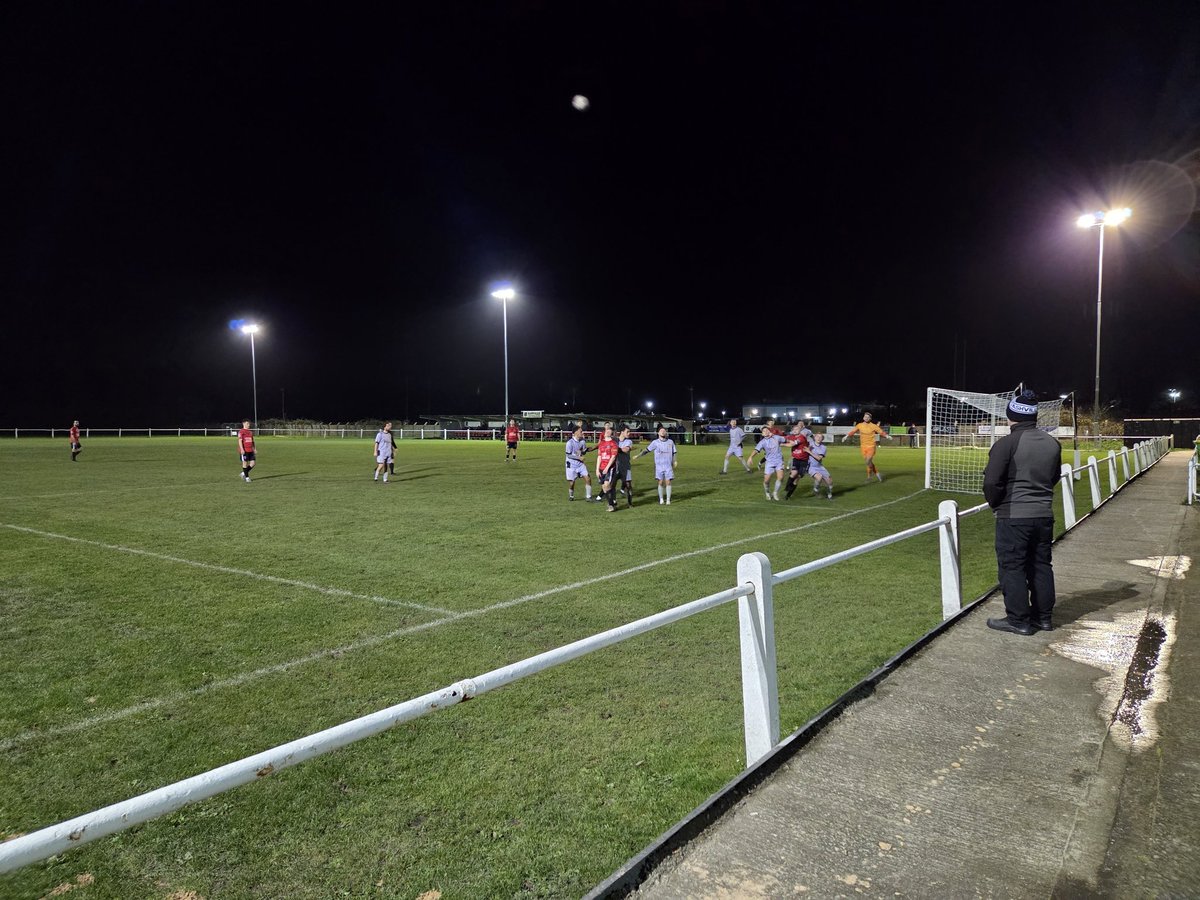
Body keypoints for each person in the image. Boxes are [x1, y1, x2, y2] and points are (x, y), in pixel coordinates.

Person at [982, 390, 1063, 636]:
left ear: (1011, 415)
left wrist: (997, 504)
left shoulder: (1006, 444)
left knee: (1012, 567)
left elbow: (991, 483)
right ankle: (1044, 619)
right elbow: (1054, 477)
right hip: (1043, 515)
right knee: (1041, 565)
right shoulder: (1052, 443)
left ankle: (1018, 620)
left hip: (1014, 515)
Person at [842, 411, 892, 481]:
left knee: (868, 461)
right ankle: (876, 474)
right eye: (865, 417)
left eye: (868, 417)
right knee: (868, 462)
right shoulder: (859, 425)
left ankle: (870, 475)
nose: (866, 418)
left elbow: (880, 432)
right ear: (863, 417)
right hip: (863, 446)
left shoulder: (874, 426)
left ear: (870, 419)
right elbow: (853, 431)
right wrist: (846, 436)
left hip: (871, 446)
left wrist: (887, 436)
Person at [637, 426, 678, 505]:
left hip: (668, 466)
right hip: (659, 466)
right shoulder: (655, 442)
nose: (663, 432)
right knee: (660, 482)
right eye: (661, 431)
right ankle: (661, 499)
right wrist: (638, 455)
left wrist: (675, 460)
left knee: (668, 482)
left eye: (664, 431)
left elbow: (674, 452)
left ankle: (668, 500)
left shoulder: (670, 442)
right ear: (658, 433)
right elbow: (647, 450)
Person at [748, 425, 787, 500]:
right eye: (764, 431)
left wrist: (794, 443)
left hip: (779, 461)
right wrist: (751, 457)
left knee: (781, 477)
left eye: (767, 430)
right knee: (766, 481)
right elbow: (756, 450)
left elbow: (786, 439)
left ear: (770, 431)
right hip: (769, 462)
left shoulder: (776, 437)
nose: (766, 431)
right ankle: (767, 492)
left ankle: (775, 493)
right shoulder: (762, 442)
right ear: (762, 434)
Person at [565, 426, 595, 501]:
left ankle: (588, 497)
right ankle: (571, 496)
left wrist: (595, 447)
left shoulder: (582, 441)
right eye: (581, 431)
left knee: (588, 479)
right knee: (572, 483)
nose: (582, 433)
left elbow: (584, 451)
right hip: (571, 465)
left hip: (580, 464)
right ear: (575, 433)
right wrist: (579, 457)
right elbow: (568, 455)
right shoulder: (569, 443)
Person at [783, 423, 812, 499]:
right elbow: (783, 438)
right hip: (796, 459)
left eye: (797, 429)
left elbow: (791, 445)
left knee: (797, 478)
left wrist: (781, 444)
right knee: (793, 474)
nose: (795, 430)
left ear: (800, 431)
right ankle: (787, 489)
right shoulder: (791, 436)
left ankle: (789, 494)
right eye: (794, 429)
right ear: (792, 431)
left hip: (804, 460)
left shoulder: (802, 437)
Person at [595, 422, 620, 511]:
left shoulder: (614, 444)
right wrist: (597, 469)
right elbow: (599, 457)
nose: (607, 431)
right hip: (601, 468)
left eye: (609, 430)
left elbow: (613, 457)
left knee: (607, 485)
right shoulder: (601, 444)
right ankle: (612, 502)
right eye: (606, 430)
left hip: (610, 468)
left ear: (611, 433)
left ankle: (611, 505)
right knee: (604, 488)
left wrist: (607, 468)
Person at [614, 425, 635, 507]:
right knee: (613, 485)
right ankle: (614, 502)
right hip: (615, 467)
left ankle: (630, 503)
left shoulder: (629, 441)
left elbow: (625, 450)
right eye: (627, 432)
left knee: (628, 485)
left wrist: (614, 448)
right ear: (622, 432)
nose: (629, 433)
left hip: (626, 467)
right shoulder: (615, 441)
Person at [808, 432, 834, 499]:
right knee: (819, 477)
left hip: (819, 466)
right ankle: (816, 489)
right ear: (814, 437)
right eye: (817, 436)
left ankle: (829, 494)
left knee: (830, 481)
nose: (819, 438)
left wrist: (809, 451)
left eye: (820, 437)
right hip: (811, 466)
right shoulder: (809, 444)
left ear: (822, 439)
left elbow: (819, 458)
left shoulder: (823, 447)